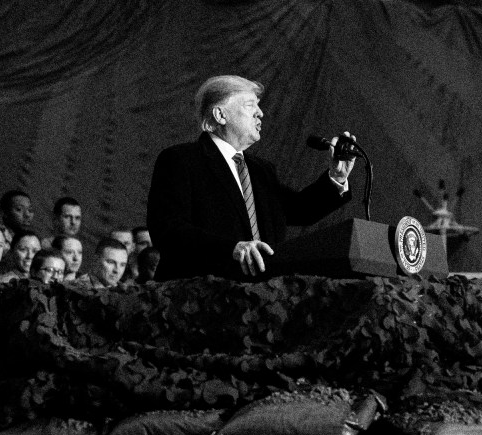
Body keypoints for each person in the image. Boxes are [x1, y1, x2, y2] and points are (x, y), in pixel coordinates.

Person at [147, 74, 355, 280]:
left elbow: (300, 210)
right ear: (220, 115)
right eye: (250, 105)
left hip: (260, 295)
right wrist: (231, 249)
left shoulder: (260, 170)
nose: (260, 113)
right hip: (199, 294)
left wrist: (336, 176)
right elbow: (168, 229)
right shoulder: (182, 159)